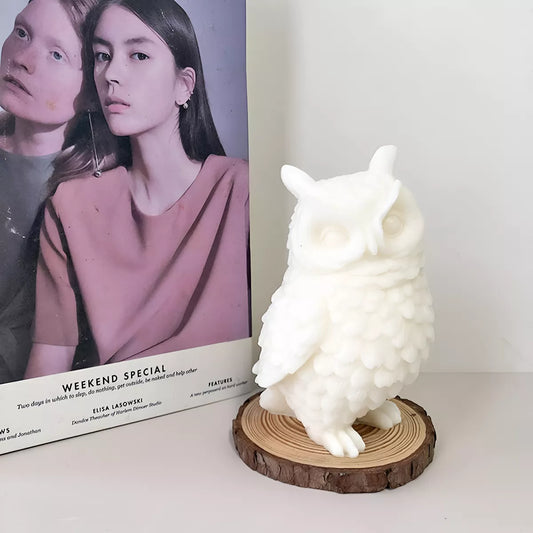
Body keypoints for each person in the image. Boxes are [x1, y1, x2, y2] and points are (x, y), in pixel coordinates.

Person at [24, 0, 250, 378]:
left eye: (139, 55)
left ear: (184, 85)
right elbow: (48, 363)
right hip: (114, 408)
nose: (111, 74)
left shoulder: (239, 191)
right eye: (102, 55)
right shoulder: (69, 205)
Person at [0, 0, 99, 383]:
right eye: (22, 32)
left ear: (91, 93)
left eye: (57, 54)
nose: (22, 59)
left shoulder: (93, 193)